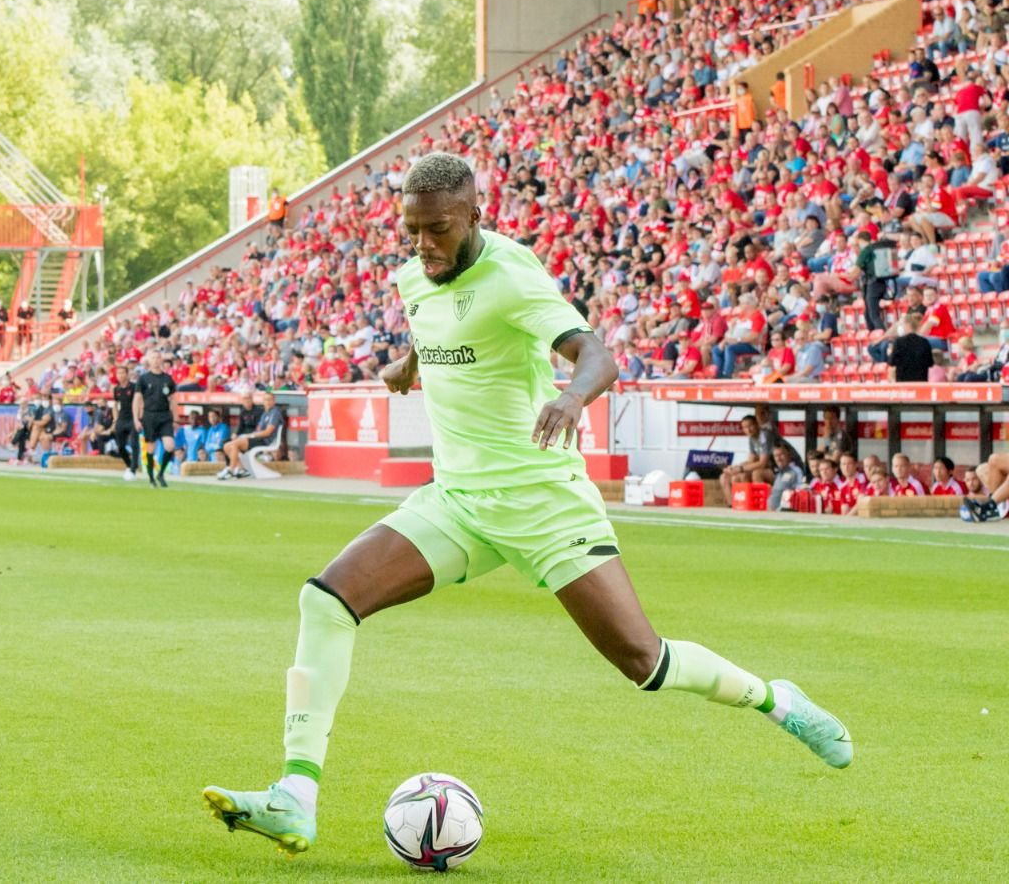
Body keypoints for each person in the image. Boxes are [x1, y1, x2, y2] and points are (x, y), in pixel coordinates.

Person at [203, 156, 850, 857]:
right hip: (459, 501)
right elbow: (442, 325)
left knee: (644, 660)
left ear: (475, 216)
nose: (423, 245)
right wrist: (406, 364)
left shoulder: (513, 279)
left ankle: (775, 698)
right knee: (326, 600)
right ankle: (295, 796)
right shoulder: (416, 273)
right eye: (412, 231)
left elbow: (596, 351)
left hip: (544, 505)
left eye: (438, 230)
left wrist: (573, 396)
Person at [133, 350, 178, 488]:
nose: (156, 360)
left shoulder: (168, 379)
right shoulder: (143, 379)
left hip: (165, 415)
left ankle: (161, 473)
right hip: (149, 415)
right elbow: (137, 399)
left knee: (170, 446)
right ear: (149, 360)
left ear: (161, 360)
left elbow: (173, 399)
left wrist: (175, 418)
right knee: (151, 448)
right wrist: (136, 419)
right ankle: (152, 478)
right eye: (153, 358)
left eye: (158, 357)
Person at [218, 389, 285, 480]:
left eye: (270, 399)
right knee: (226, 445)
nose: (267, 402)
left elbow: (268, 432)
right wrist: (248, 435)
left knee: (234, 444)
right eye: (265, 400)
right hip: (258, 438)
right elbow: (258, 429)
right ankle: (242, 469)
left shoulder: (275, 412)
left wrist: (249, 435)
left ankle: (231, 470)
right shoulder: (265, 413)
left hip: (265, 441)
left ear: (274, 401)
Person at [111, 363, 139, 481]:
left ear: (127, 375)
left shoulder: (134, 387)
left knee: (133, 443)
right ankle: (129, 465)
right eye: (118, 373)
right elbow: (115, 405)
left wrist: (138, 418)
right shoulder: (116, 389)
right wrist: (115, 420)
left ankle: (133, 468)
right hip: (121, 419)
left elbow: (139, 402)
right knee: (121, 446)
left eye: (123, 373)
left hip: (132, 418)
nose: (120, 375)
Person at [888, 314, 935, 382]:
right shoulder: (924, 342)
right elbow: (930, 363)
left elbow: (892, 362)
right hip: (921, 381)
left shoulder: (899, 342)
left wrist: (890, 353)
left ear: (908, 325)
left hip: (904, 382)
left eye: (902, 325)